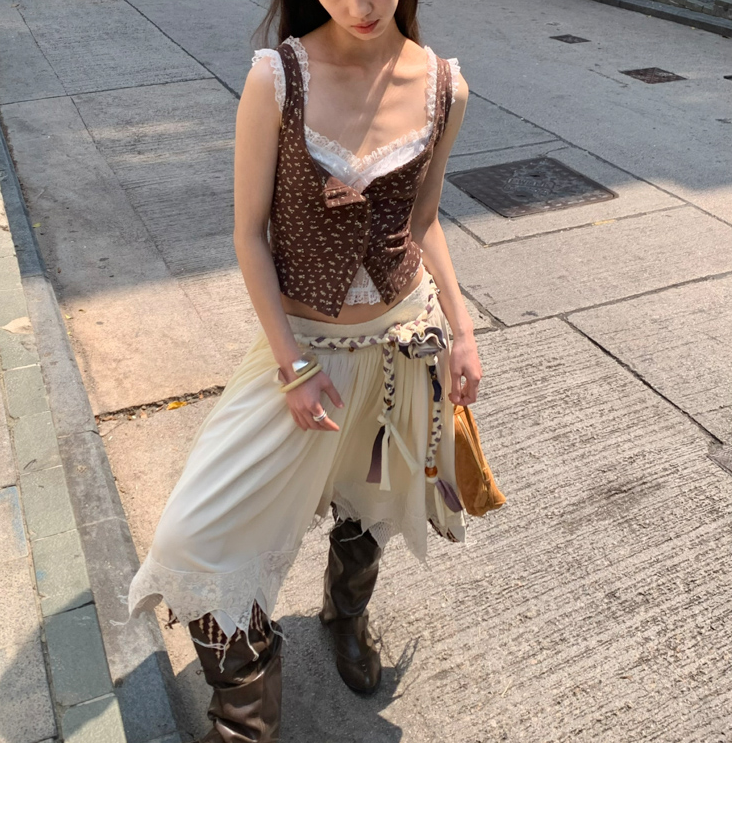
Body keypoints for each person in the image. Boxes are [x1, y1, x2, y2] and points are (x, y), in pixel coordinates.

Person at [127, 0, 483, 742]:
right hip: (303, 353)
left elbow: (422, 221)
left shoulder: (444, 86)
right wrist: (292, 365)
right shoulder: (277, 78)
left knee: (369, 499)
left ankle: (344, 616)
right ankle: (247, 719)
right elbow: (248, 234)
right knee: (196, 534)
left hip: (400, 343)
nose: (360, 6)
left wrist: (463, 329)